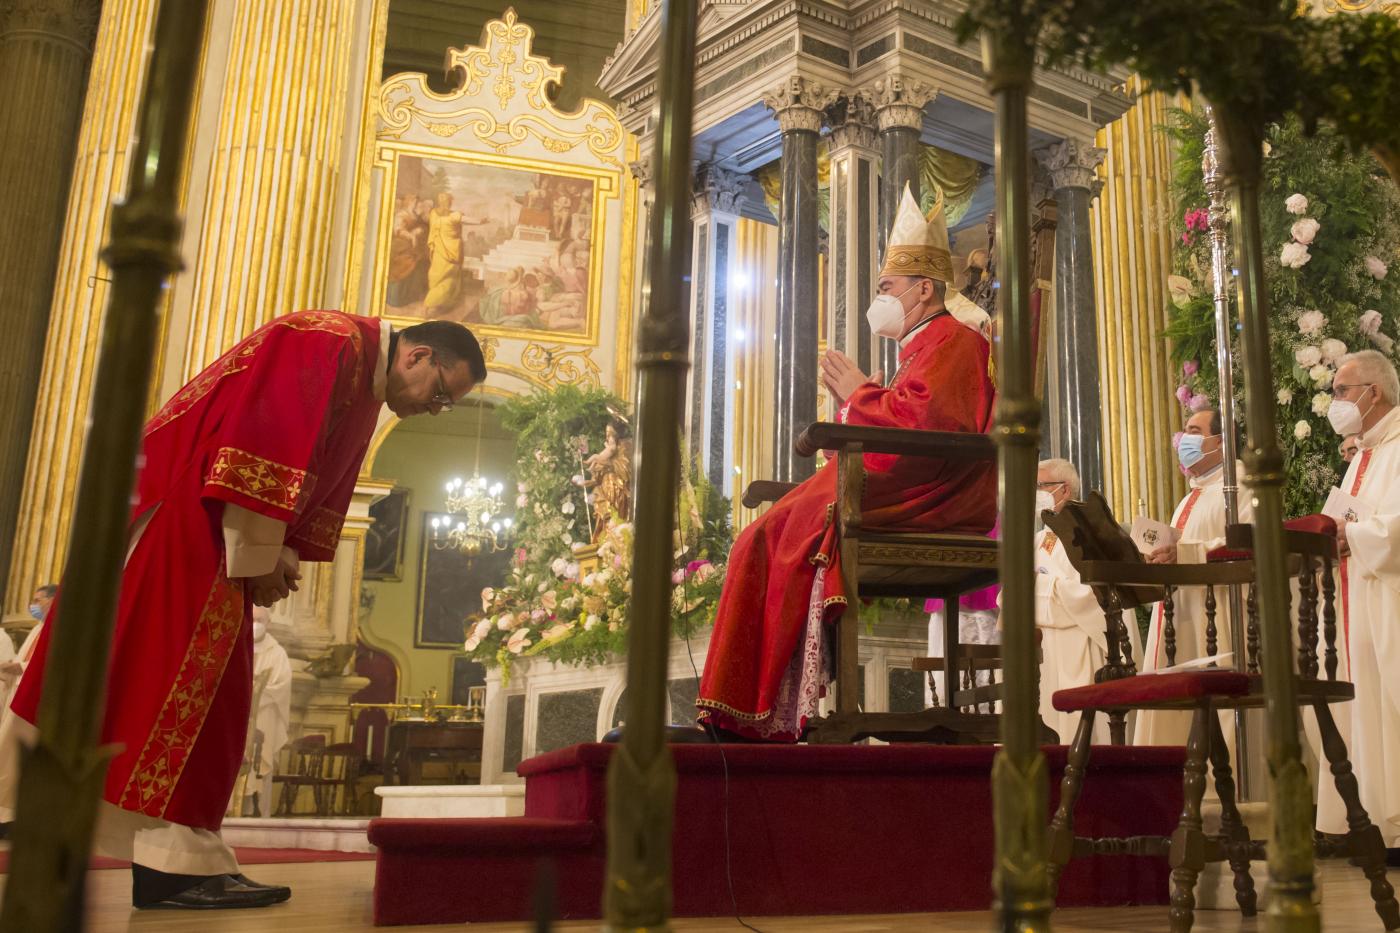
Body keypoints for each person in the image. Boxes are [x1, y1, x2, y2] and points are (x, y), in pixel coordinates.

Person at [0, 312, 485, 909]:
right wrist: (263, 553)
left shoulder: (362, 376)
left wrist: (280, 550)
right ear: (418, 355)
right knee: (187, 694)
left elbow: (306, 473)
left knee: (197, 699)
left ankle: (176, 859)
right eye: (439, 395)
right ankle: (167, 865)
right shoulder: (325, 341)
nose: (432, 408)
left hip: (212, 526)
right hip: (191, 520)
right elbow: (261, 445)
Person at [696, 185, 997, 740]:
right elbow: (909, 419)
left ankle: (755, 713)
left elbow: (934, 428)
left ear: (923, 288)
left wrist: (861, 395)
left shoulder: (954, 340)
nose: (878, 297)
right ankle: (753, 709)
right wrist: (860, 414)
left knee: (772, 537)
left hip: (933, 493)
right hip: (904, 480)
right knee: (762, 535)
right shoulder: (921, 345)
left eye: (887, 287)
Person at [1134, 408, 1253, 748]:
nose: (1184, 439)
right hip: (1181, 614)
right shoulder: (1192, 494)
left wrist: (1184, 553)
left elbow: (1247, 543)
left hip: (1219, 615)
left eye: (1194, 430)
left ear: (1220, 441)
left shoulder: (1239, 485)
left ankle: (1223, 784)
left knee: (1219, 704)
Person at [1328, 349, 1400, 852]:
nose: (1335, 402)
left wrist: (1351, 534)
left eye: (1341, 391)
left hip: (1389, 595)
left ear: (1374, 393)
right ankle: (1377, 822)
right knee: (1365, 704)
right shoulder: (1363, 454)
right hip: (1356, 593)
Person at [1032, 459, 1142, 744]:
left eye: (1040, 486)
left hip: (1081, 644)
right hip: (1046, 650)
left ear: (1064, 489)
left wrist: (1041, 589)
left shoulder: (1092, 533)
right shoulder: (1040, 538)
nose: (1035, 493)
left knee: (1081, 733)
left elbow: (1096, 593)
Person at [249, 608, 292, 817]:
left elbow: (281, 686)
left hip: (264, 717)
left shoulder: (277, 653)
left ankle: (258, 814)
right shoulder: (238, 645)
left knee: (260, 765)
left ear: (269, 622)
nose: (256, 623)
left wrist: (254, 693)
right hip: (236, 719)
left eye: (260, 619)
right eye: (253, 619)